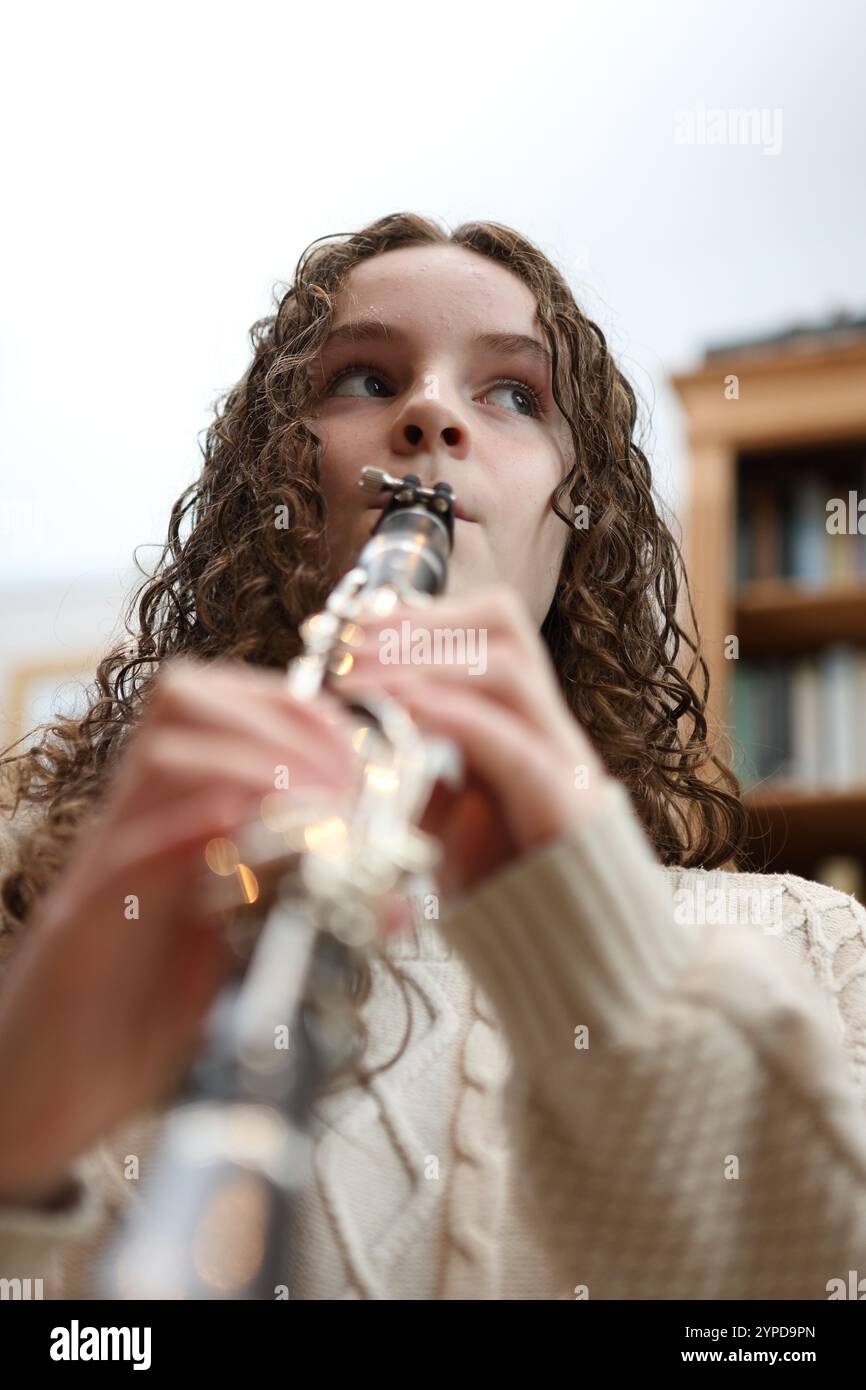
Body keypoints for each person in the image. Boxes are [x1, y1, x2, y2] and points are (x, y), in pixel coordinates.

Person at [1, 212, 865, 1301]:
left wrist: (615, 971)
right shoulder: (47, 914)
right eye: (362, 378)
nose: (429, 414)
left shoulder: (816, 946)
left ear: (574, 524)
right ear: (276, 489)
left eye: (513, 394)